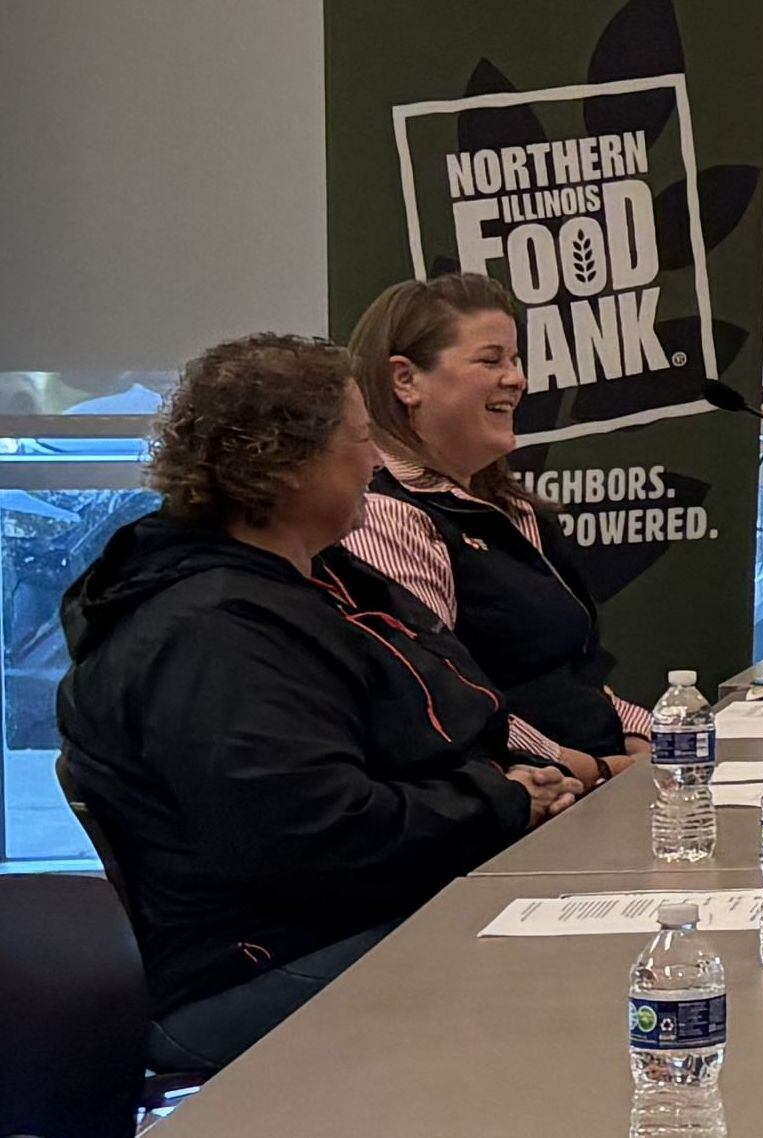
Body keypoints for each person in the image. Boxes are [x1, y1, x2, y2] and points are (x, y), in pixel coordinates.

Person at [57, 334, 582, 1072]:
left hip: (341, 918)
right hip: (256, 967)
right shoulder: (211, 633)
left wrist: (522, 783)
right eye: (362, 439)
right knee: (572, 982)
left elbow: (452, 719)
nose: (373, 463)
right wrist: (496, 801)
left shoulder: (312, 584)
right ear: (286, 461)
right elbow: (316, 834)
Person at [342, 274, 648, 789]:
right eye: (490, 361)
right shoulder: (384, 514)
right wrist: (585, 766)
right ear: (405, 380)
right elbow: (441, 693)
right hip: (525, 802)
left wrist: (641, 731)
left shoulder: (510, 509)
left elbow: (570, 671)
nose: (516, 379)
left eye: (515, 360)